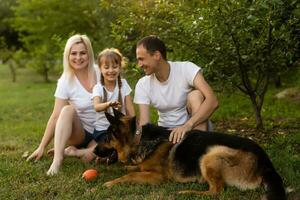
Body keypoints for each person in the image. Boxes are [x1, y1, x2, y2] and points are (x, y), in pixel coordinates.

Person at [27, 34, 99, 175]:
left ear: (89, 54)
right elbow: (55, 116)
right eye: (74, 53)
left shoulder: (100, 71)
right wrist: (41, 147)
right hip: (80, 133)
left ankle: (75, 152)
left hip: (103, 132)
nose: (78, 58)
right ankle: (58, 159)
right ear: (67, 55)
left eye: (83, 53)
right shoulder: (65, 80)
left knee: (96, 154)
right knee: (66, 110)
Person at [134, 35, 219, 144]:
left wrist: (187, 125)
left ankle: (199, 146)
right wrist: (135, 140)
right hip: (166, 132)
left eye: (141, 59)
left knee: (196, 95)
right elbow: (144, 123)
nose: (139, 65)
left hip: (194, 127)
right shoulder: (142, 84)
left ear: (156, 55)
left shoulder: (186, 68)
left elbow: (213, 101)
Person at [92, 48, 135, 144]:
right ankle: (80, 151)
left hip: (121, 129)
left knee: (133, 143)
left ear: (120, 67)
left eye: (115, 67)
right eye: (106, 67)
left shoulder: (123, 84)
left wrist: (134, 124)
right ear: (100, 69)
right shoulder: (98, 88)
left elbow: (129, 107)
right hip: (103, 130)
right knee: (115, 145)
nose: (111, 70)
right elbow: (96, 107)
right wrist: (108, 104)